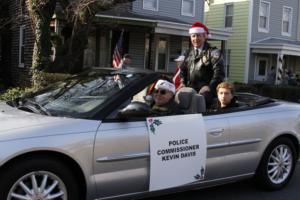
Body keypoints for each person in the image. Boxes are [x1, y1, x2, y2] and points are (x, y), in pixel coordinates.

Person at [179, 21, 225, 108]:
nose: (196, 38)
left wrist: (209, 87)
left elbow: (219, 73)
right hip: (190, 89)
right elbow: (183, 70)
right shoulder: (187, 52)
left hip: (207, 90)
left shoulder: (214, 52)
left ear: (204, 37)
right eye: (193, 36)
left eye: (198, 35)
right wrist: (182, 83)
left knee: (199, 101)